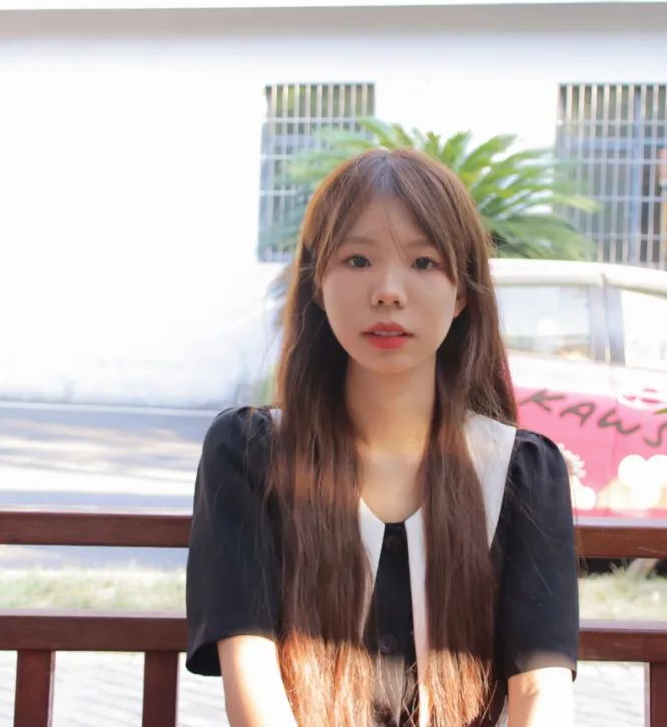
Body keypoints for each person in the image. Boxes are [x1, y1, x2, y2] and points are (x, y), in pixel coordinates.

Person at [184, 147, 579, 727]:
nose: (389, 291)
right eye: (358, 259)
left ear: (462, 292)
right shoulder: (248, 453)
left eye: (423, 262)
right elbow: (252, 681)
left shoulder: (520, 471)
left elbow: (541, 692)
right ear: (317, 283)